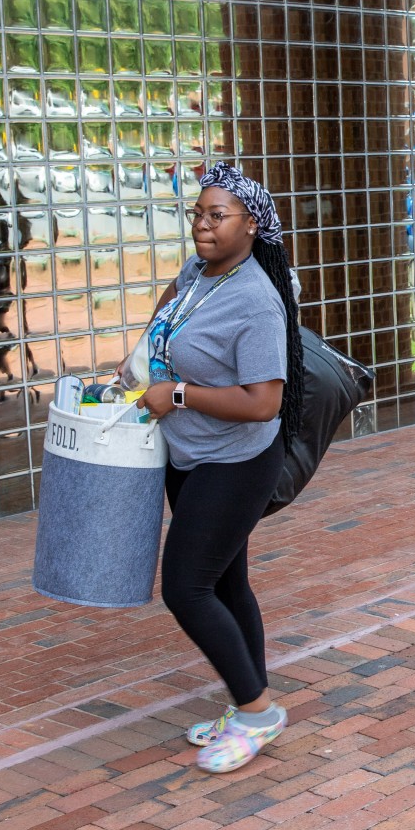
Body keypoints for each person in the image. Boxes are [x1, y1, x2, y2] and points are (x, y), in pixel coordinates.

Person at [134, 163, 305, 773]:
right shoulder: (200, 272)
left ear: (251, 226)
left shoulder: (257, 302)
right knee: (227, 584)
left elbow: (263, 402)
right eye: (197, 215)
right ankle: (246, 703)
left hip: (234, 461)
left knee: (187, 588)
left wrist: (176, 394)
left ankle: (259, 713)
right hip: (188, 454)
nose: (203, 226)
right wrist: (144, 366)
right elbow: (168, 315)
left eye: (218, 216)